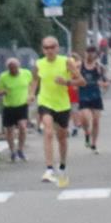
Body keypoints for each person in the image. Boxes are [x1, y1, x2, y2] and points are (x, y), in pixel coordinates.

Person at [32, 35, 83, 187]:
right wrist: (31, 94)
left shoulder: (66, 62)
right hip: (45, 101)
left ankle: (62, 165)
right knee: (48, 131)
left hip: (62, 105)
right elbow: (34, 81)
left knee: (62, 138)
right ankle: (49, 169)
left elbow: (82, 81)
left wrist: (67, 82)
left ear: (57, 48)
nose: (49, 50)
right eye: (46, 47)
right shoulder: (39, 64)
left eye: (52, 47)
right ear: (42, 49)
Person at [0, 57, 31, 163]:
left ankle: (20, 149)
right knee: (9, 130)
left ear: (19, 66)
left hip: (22, 105)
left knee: (22, 127)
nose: (13, 70)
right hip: (9, 106)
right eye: (10, 68)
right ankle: (12, 151)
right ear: (8, 68)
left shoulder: (26, 73)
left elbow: (33, 84)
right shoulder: (3, 77)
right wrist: (3, 92)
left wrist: (31, 95)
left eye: (15, 68)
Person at [76, 46, 104, 153]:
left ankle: (94, 144)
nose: (90, 55)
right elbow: (73, 75)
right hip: (83, 95)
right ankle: (87, 133)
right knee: (86, 119)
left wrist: (103, 83)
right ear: (85, 53)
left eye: (92, 53)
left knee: (96, 121)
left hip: (95, 95)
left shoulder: (98, 66)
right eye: (88, 52)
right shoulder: (79, 65)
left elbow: (102, 79)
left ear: (95, 54)